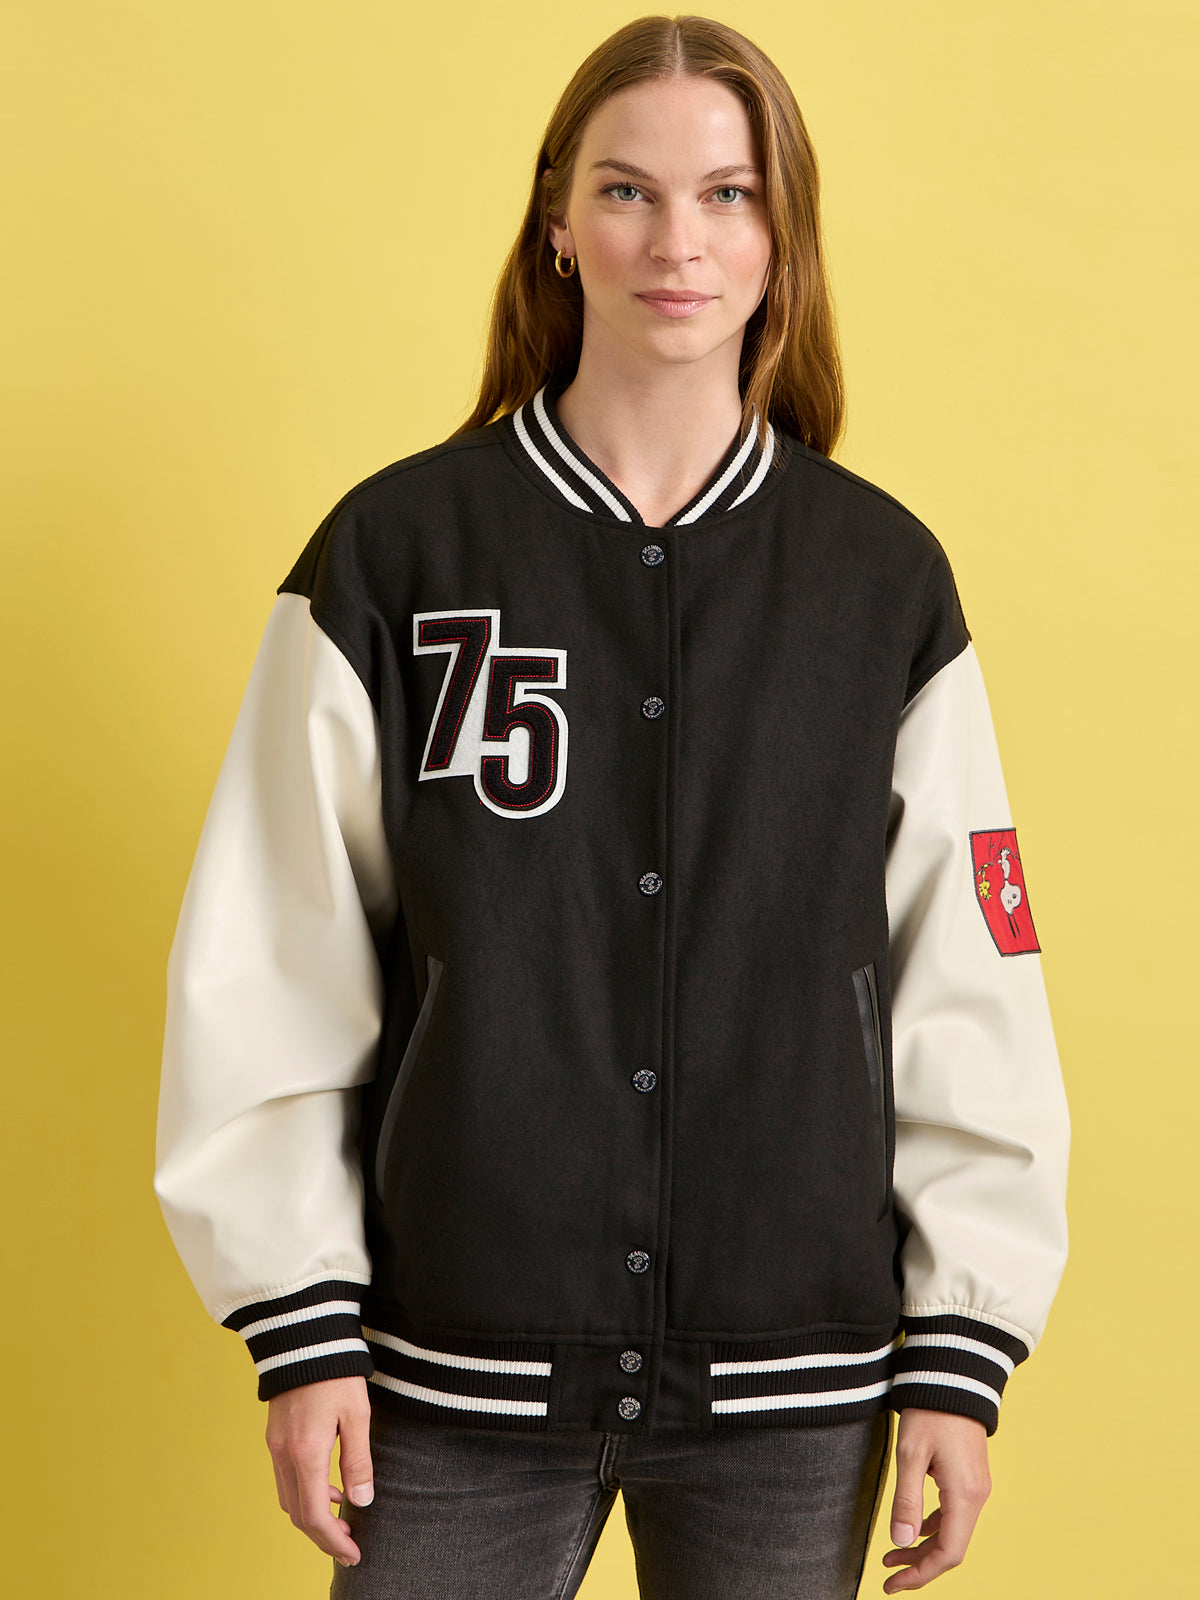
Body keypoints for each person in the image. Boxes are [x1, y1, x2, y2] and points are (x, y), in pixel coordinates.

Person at [153, 14, 1070, 1599]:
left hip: (797, 1384)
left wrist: (960, 1345)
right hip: (451, 1370)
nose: (679, 244)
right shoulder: (396, 557)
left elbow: (964, 977)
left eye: (728, 195)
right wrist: (298, 1327)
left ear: (784, 236)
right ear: (557, 221)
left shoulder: (879, 584)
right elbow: (273, 950)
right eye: (628, 191)